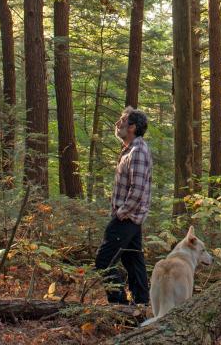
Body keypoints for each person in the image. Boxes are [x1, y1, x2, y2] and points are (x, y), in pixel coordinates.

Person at [95, 106, 152, 305]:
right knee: (133, 263)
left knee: (104, 260)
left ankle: (119, 305)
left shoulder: (138, 151)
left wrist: (122, 212)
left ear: (132, 127)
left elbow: (137, 189)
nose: (117, 124)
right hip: (129, 218)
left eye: (122, 121)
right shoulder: (130, 150)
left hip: (127, 218)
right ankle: (142, 305)